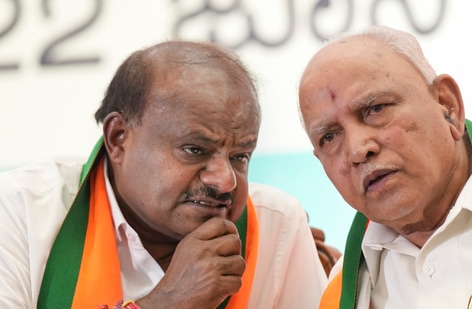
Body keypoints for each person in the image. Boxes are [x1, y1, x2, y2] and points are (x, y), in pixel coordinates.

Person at [0, 40, 328, 308]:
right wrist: (169, 302)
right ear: (118, 138)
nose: (225, 180)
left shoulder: (276, 225)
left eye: (240, 156)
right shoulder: (20, 213)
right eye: (194, 150)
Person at [298, 24, 472, 308]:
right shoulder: (342, 289)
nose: (357, 149)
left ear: (447, 105)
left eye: (375, 109)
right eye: (329, 137)